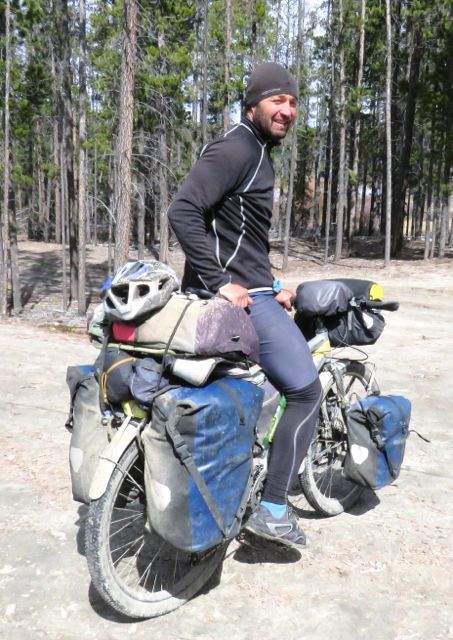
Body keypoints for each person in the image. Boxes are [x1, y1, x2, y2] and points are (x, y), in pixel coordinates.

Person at [168, 62, 322, 549]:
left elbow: (239, 238)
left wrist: (272, 282)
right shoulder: (237, 148)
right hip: (240, 300)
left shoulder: (257, 152)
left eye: (293, 102)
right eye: (277, 100)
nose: (287, 110)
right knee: (306, 391)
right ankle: (274, 510)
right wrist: (221, 283)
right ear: (253, 104)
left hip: (254, 289)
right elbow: (182, 210)